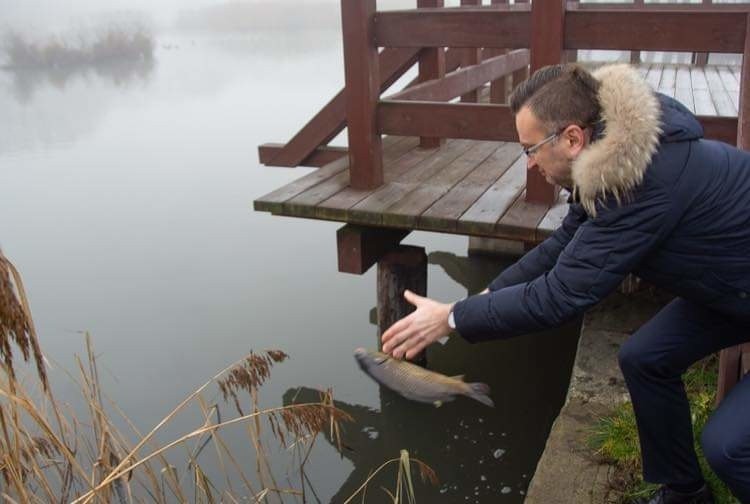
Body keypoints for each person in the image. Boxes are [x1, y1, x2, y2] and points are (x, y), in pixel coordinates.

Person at [380, 63, 750, 504]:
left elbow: (561, 296)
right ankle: (685, 494)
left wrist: (454, 319)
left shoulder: (641, 184)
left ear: (573, 138)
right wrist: (487, 296)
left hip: (733, 288)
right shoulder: (617, 162)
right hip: (731, 289)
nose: (530, 163)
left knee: (730, 447)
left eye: (530, 149)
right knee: (644, 358)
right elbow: (561, 247)